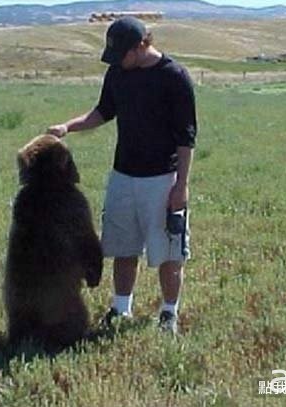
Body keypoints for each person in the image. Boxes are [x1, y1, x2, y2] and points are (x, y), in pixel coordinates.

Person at [47, 16, 197, 334]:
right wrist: (67, 127)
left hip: (163, 178)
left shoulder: (174, 76)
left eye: (121, 55)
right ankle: (120, 308)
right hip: (123, 176)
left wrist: (180, 187)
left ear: (141, 45)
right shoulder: (118, 72)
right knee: (123, 247)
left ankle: (169, 313)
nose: (116, 62)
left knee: (168, 251)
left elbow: (186, 138)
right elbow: (103, 111)